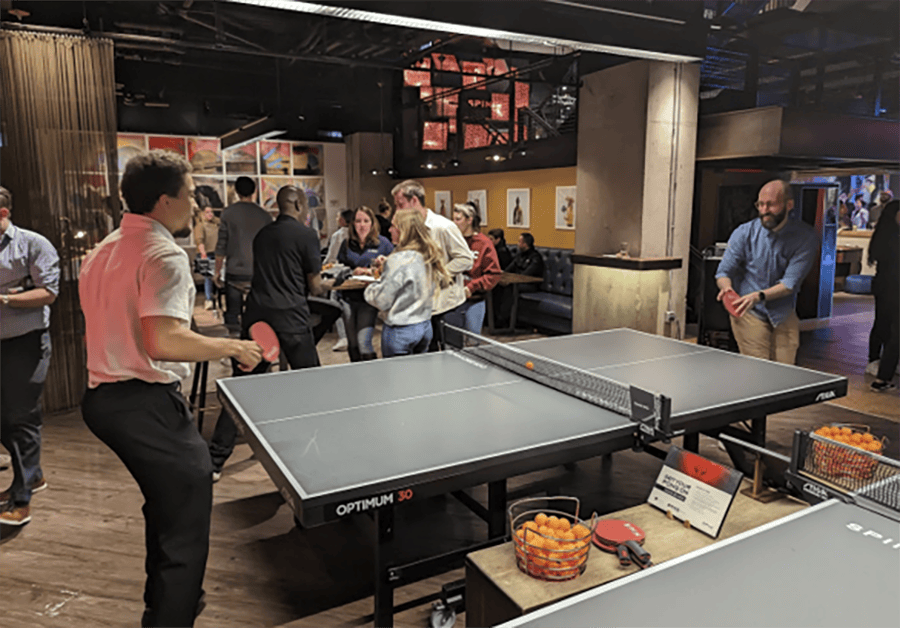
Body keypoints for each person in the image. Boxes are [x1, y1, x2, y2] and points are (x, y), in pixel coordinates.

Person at [78, 150, 263, 627]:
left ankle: (167, 597)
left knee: (167, 502)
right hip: (142, 402)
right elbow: (162, 340)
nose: (197, 205)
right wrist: (233, 349)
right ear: (164, 201)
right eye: (190, 194)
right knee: (187, 503)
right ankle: (172, 613)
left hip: (102, 399)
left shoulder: (103, 250)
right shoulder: (163, 254)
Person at [209, 186, 330, 479]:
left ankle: (214, 460)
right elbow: (315, 286)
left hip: (259, 316)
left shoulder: (264, 234)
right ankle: (323, 451)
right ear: (299, 204)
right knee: (313, 385)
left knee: (242, 388)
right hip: (291, 317)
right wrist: (334, 281)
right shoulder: (306, 235)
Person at [0, 185, 59, 526]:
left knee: (21, 416)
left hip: (26, 343)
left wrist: (6, 299)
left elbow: (48, 292)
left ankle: (21, 499)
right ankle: (32, 473)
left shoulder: (34, 244)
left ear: (4, 214)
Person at [715, 179, 818, 365]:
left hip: (783, 312)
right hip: (748, 311)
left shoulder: (805, 237)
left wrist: (758, 296)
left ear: (789, 205)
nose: (764, 210)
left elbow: (789, 284)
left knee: (785, 373)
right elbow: (723, 272)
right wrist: (727, 289)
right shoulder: (744, 232)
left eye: (771, 204)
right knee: (759, 372)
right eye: (760, 204)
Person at [391, 180, 474, 350]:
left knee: (452, 359)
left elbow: (466, 258)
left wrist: (437, 274)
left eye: (400, 205)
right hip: (422, 308)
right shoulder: (408, 228)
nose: (397, 211)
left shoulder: (444, 227)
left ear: (414, 201)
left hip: (447, 306)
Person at [364, 210, 451, 357]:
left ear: (403, 230)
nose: (390, 230)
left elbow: (382, 300)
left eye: (393, 226)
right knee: (418, 376)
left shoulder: (398, 260)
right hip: (424, 326)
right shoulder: (428, 254)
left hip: (400, 330)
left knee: (397, 378)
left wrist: (370, 289)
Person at [215, 176, 271, 332]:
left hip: (235, 272)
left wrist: (217, 272)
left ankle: (235, 345)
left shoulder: (228, 213)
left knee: (233, 313)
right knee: (259, 313)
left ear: (237, 191)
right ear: (254, 191)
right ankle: (257, 345)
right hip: (258, 272)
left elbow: (221, 246)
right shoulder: (264, 216)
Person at [337, 205, 393, 361]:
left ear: (372, 223)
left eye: (366, 221)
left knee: (363, 343)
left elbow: (394, 268)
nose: (362, 225)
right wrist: (352, 271)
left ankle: (371, 378)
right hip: (347, 297)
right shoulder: (347, 244)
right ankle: (357, 378)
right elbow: (338, 268)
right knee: (352, 344)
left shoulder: (383, 244)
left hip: (369, 299)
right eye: (358, 221)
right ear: (353, 224)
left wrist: (374, 271)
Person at [445, 202, 502, 334]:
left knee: (472, 342)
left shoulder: (483, 243)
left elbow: (494, 274)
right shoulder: (451, 240)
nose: (454, 223)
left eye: (458, 219)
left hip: (474, 300)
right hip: (451, 300)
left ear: (469, 220)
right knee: (452, 342)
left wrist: (471, 287)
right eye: (453, 219)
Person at [866, 199, 899, 392]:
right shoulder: (895, 237)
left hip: (882, 286)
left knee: (882, 325)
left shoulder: (882, 234)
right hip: (894, 288)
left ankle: (875, 362)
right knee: (895, 333)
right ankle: (883, 377)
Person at [495, 232, 545, 328]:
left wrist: (512, 279)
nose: (517, 244)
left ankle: (505, 320)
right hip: (517, 282)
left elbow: (526, 275)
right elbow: (509, 269)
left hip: (531, 285)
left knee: (509, 287)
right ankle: (494, 318)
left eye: (519, 241)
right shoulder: (520, 255)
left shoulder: (535, 257)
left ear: (525, 244)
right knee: (498, 285)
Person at [323, 208, 355, 351]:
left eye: (337, 216)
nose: (336, 219)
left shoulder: (339, 234)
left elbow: (331, 257)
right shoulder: (356, 233)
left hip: (339, 272)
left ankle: (343, 337)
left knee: (334, 303)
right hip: (354, 273)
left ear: (342, 220)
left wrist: (323, 266)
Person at [193, 201, 219, 310]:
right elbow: (199, 240)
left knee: (218, 277)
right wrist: (203, 253)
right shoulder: (200, 226)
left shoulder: (216, 224)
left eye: (211, 212)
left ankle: (216, 298)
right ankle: (208, 299)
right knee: (208, 277)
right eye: (207, 212)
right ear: (203, 214)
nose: (210, 214)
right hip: (206, 254)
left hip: (217, 254)